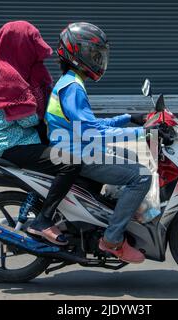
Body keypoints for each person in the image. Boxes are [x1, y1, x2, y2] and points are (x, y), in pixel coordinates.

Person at [45, 22, 151, 264]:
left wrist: (129, 119)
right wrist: (140, 135)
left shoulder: (71, 82)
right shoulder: (73, 88)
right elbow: (92, 133)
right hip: (77, 154)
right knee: (141, 176)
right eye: (93, 54)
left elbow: (90, 126)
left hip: (78, 149)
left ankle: (121, 212)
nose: (97, 59)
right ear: (77, 53)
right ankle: (112, 240)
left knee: (133, 161)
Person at [0, 21, 81, 246]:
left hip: (30, 139)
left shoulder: (24, 71)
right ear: (19, 47)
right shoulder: (4, 77)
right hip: (13, 145)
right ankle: (44, 220)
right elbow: (27, 119)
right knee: (71, 163)